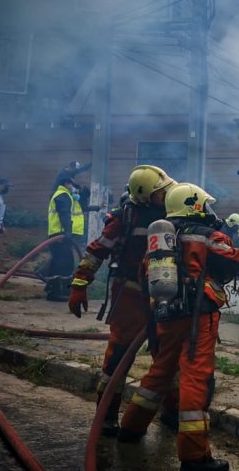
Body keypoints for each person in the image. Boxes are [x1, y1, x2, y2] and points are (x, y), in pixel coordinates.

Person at [118, 183, 239, 471]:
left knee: (161, 371)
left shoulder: (162, 236)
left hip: (165, 315)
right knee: (195, 378)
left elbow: (143, 271)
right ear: (194, 205)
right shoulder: (207, 235)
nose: (210, 211)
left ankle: (131, 428)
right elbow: (234, 259)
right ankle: (195, 457)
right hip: (199, 315)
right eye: (205, 205)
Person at [67, 165, 178, 436]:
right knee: (118, 357)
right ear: (146, 196)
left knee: (169, 355)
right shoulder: (125, 218)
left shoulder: (173, 215)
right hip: (130, 294)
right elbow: (97, 251)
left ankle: (173, 412)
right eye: (160, 193)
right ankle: (106, 417)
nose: (166, 196)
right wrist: (79, 284)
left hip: (164, 293)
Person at [45, 177, 83, 302]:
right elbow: (64, 214)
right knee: (65, 263)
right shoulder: (63, 195)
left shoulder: (62, 195)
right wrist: (68, 232)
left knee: (57, 261)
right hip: (60, 235)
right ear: (67, 184)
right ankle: (61, 292)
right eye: (72, 184)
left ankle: (53, 290)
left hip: (57, 234)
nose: (74, 187)